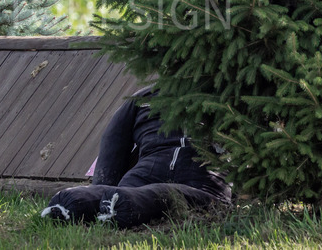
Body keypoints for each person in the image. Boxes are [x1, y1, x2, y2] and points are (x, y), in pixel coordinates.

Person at [40, 87, 232, 228]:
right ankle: (105, 202)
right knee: (137, 195)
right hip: (195, 177)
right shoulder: (230, 96)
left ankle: (74, 200)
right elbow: (113, 143)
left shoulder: (143, 96)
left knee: (133, 194)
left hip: (161, 175)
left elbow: (113, 141)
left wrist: (100, 186)